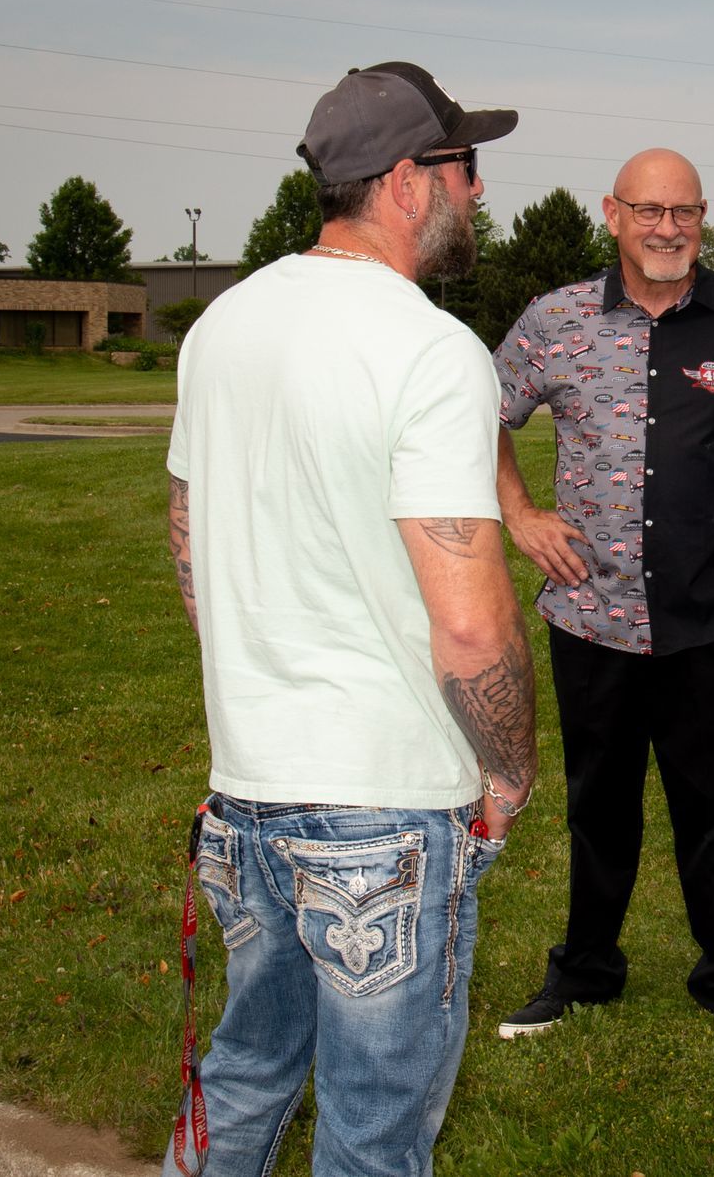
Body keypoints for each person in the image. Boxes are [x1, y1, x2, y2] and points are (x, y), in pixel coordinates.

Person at [163, 61, 536, 1177]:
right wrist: (509, 771)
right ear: (409, 181)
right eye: (466, 167)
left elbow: (188, 543)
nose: (478, 191)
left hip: (247, 794)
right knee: (374, 1130)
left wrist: (256, 687)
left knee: (243, 1075)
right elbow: (470, 623)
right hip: (386, 811)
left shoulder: (222, 325)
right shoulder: (428, 348)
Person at [490, 148, 714, 1056]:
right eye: (648, 211)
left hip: (709, 617)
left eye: (685, 212)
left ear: (704, 217)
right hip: (594, 616)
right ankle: (586, 969)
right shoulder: (557, 321)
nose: (668, 229)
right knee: (599, 808)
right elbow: (476, 413)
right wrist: (520, 514)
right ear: (612, 214)